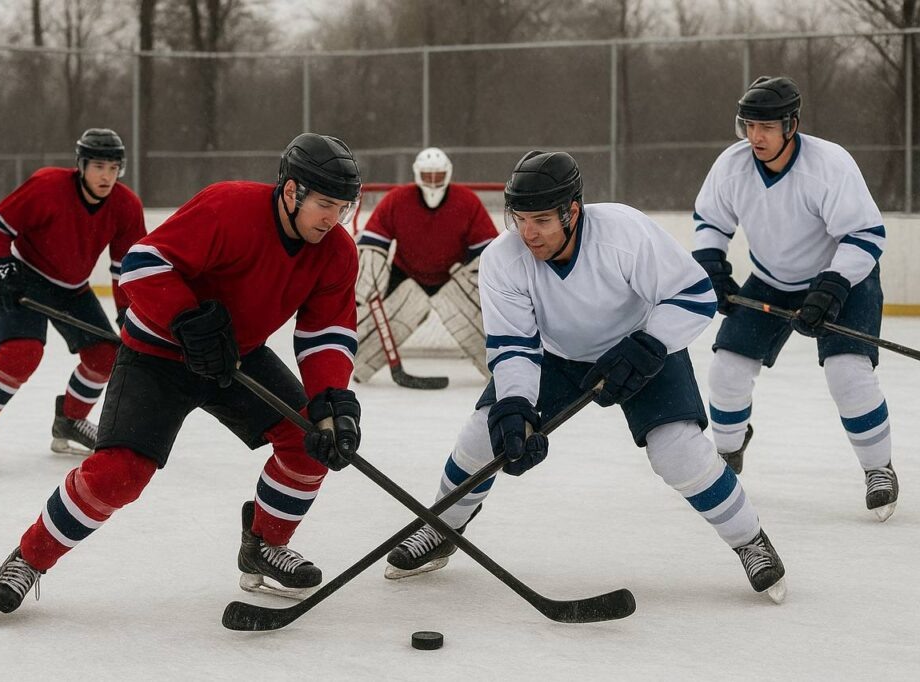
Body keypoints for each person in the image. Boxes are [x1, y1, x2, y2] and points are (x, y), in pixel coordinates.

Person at [0, 133, 364, 622]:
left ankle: (264, 547)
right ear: (291, 192)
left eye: (344, 209)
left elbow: (326, 333)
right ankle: (29, 559)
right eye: (325, 205)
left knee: (309, 438)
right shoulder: (229, 207)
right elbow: (142, 263)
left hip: (235, 358)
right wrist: (185, 317)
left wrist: (332, 398)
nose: (334, 220)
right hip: (157, 351)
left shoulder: (336, 252)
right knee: (120, 474)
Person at [384, 150, 787, 603]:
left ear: (571, 211)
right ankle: (442, 526)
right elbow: (515, 345)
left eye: (540, 219)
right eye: (519, 218)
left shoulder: (624, 232)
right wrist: (515, 405)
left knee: (678, 452)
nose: (527, 232)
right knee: (483, 434)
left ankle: (749, 538)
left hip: (643, 346)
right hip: (555, 357)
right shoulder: (503, 259)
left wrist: (650, 344)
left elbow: (695, 295)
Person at [691, 76, 898, 521]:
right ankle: (727, 455)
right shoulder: (731, 166)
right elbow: (710, 220)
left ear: (792, 125)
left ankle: (879, 467)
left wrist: (832, 284)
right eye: (748, 125)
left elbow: (865, 235)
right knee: (727, 368)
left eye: (766, 127)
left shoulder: (829, 165)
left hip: (844, 277)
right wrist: (712, 265)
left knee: (848, 372)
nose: (755, 137)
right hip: (772, 279)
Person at [0, 129, 146, 475]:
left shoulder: (126, 206)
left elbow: (125, 267)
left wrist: (129, 313)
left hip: (72, 287)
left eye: (114, 168)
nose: (106, 176)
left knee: (105, 355)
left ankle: (70, 420)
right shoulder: (47, 186)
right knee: (22, 352)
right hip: (23, 275)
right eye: (98, 166)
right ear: (81, 165)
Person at [354, 147, 499, 381]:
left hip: (451, 275)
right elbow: (372, 242)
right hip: (405, 273)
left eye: (438, 176)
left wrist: (477, 286)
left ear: (448, 173)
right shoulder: (397, 199)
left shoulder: (467, 201)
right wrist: (367, 284)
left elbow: (488, 254)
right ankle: (356, 363)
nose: (433, 182)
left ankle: (500, 366)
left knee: (483, 314)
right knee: (369, 312)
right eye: (427, 176)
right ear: (417, 174)